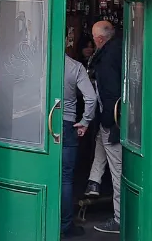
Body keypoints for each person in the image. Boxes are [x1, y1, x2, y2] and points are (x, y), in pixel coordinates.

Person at [87, 21, 123, 234]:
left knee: (117, 168)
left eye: (94, 37)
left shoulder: (107, 58)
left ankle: (119, 218)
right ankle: (93, 181)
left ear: (100, 39)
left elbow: (111, 95)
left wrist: (110, 122)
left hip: (113, 120)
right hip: (110, 119)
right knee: (100, 141)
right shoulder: (117, 49)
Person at [61, 54, 98, 238]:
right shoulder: (75, 67)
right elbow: (91, 98)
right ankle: (65, 226)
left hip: (39, 125)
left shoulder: (37, 62)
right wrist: (85, 121)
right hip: (67, 124)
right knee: (65, 178)